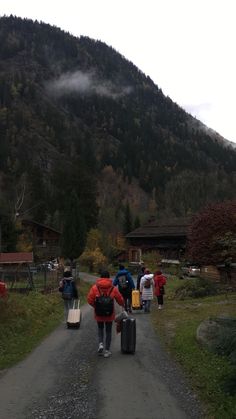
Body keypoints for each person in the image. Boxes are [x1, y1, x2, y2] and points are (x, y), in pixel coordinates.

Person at [87, 270, 124, 358]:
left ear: (100, 277)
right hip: (109, 314)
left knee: (100, 329)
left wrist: (96, 306)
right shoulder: (113, 288)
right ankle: (107, 351)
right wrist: (122, 305)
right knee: (108, 331)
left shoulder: (95, 287)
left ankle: (100, 344)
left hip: (99, 313)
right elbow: (120, 299)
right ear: (108, 277)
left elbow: (89, 300)